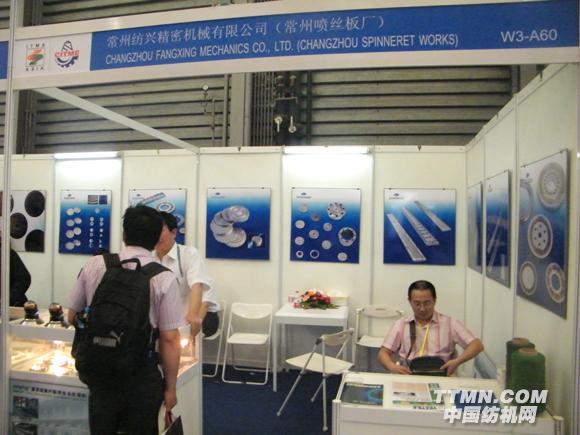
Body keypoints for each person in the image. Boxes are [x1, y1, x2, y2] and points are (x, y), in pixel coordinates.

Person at [67, 205, 184, 434]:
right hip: (141, 373)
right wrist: (171, 388)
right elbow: (169, 338)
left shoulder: (95, 264)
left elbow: (72, 315)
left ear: (124, 234)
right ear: (157, 238)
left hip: (99, 369)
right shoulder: (163, 278)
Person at [378, 280, 483, 376]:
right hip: (408, 375)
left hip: (441, 375)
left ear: (434, 300)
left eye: (427, 303)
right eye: (417, 304)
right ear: (410, 301)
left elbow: (477, 345)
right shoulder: (400, 325)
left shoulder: (450, 323)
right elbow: (383, 353)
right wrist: (392, 367)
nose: (422, 309)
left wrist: (457, 361)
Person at [155, 212, 219, 338]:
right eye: (152, 230)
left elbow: (197, 285)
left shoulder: (189, 254)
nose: (155, 235)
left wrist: (193, 317)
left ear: (174, 232)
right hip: (158, 323)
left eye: (160, 230)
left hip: (184, 321)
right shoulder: (148, 257)